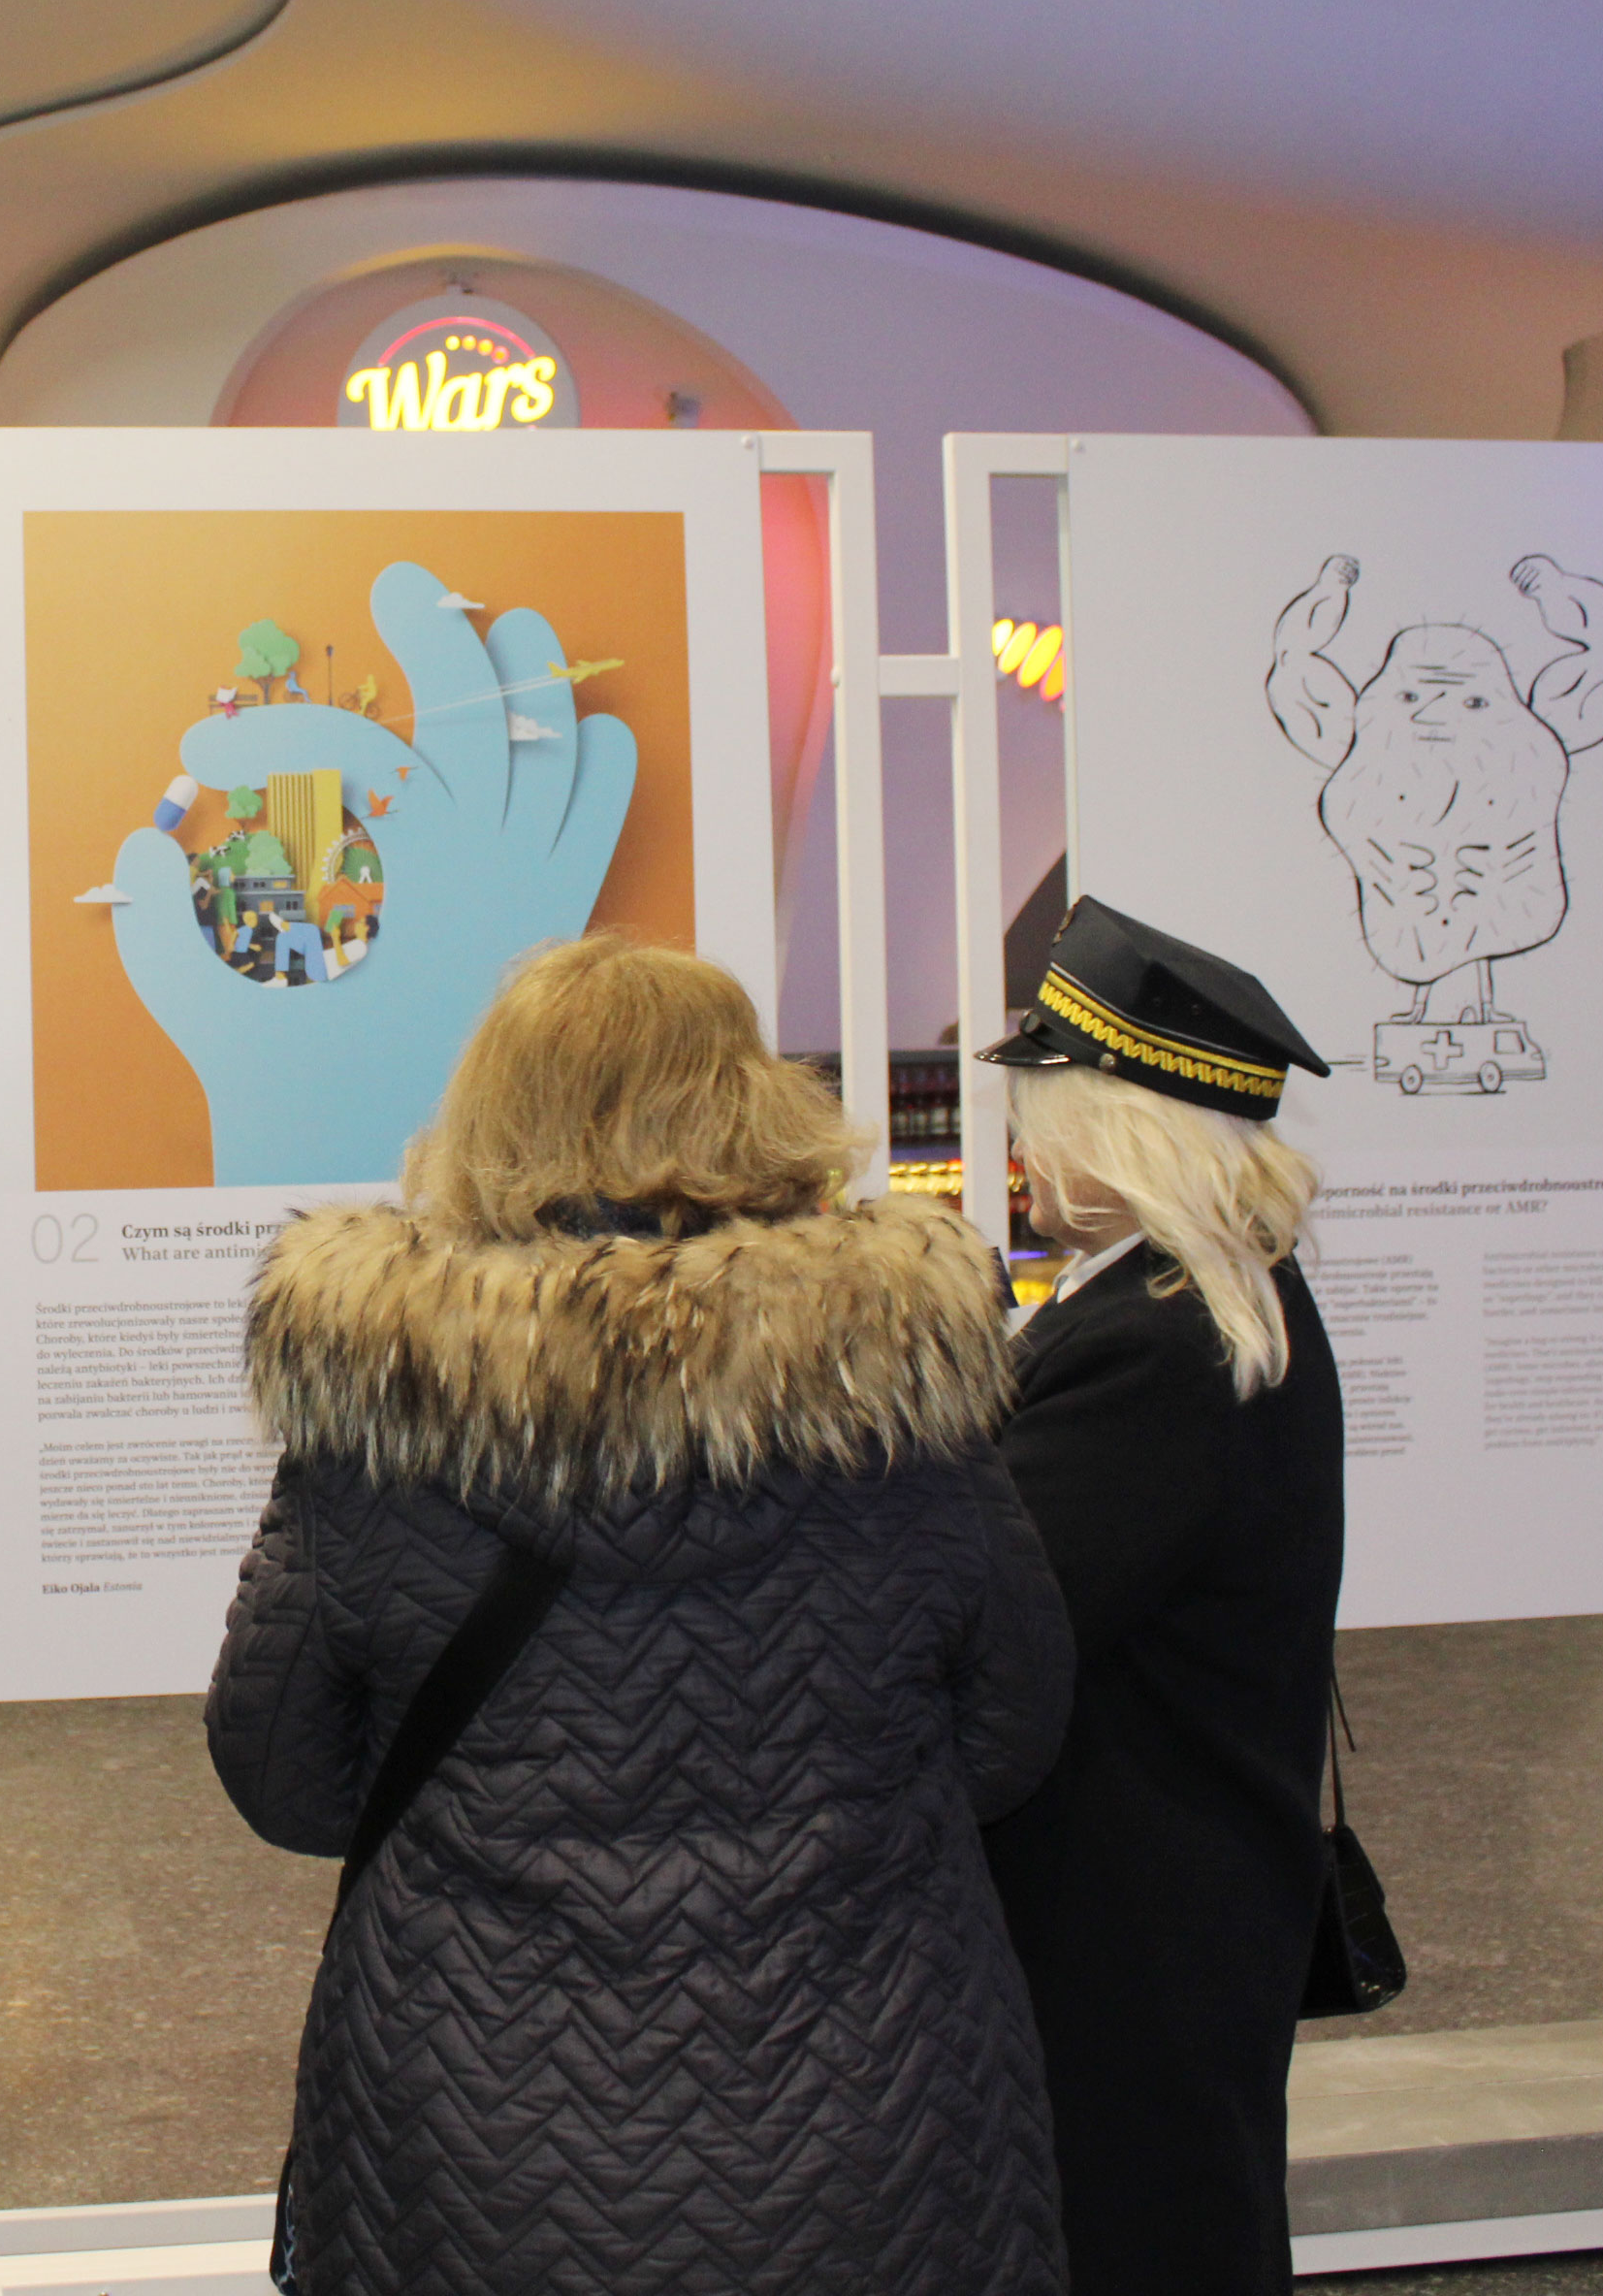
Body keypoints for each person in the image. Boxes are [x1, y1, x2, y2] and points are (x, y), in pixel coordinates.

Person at [209, 936, 1074, 2296]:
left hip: (477, 2106)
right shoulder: (902, 1390)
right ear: (753, 1101)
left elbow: (285, 1773)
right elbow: (1013, 1727)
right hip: (866, 2098)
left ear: (492, 1115)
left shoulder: (379, 1407)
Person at [973, 897, 1345, 2296]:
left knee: (1137, 2224)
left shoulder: (1150, 1345)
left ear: (1118, 1132)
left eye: (1043, 1116)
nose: (1023, 1146)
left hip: (1123, 1909)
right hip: (1188, 1882)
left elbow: (1005, 1617)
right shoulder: (1212, 1303)